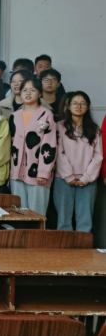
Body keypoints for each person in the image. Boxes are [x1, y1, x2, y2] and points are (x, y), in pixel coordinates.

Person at [54, 92, 102, 232]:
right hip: (63, 179)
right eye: (75, 103)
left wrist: (86, 178)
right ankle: (65, 247)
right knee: (63, 220)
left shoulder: (94, 129)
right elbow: (59, 153)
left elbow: (98, 156)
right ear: (68, 106)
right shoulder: (59, 126)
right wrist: (68, 176)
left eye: (83, 103)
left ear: (87, 107)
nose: (78, 106)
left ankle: (83, 247)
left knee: (85, 221)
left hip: (87, 181)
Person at [9, 77, 57, 216]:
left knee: (37, 215)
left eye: (32, 90)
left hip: (38, 175)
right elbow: (11, 144)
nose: (28, 93)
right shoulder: (14, 116)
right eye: (25, 90)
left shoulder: (46, 114)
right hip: (16, 173)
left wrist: (43, 172)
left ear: (40, 93)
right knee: (19, 214)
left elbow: (49, 145)